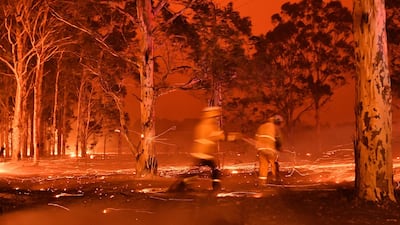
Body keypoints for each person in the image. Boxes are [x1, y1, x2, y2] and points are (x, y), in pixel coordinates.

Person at [255, 115, 284, 185]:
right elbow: (279, 139)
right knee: (273, 164)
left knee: (263, 166)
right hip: (270, 149)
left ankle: (262, 183)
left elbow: (256, 137)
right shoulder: (274, 127)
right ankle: (275, 180)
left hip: (261, 149)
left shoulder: (261, 126)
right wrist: (280, 148)